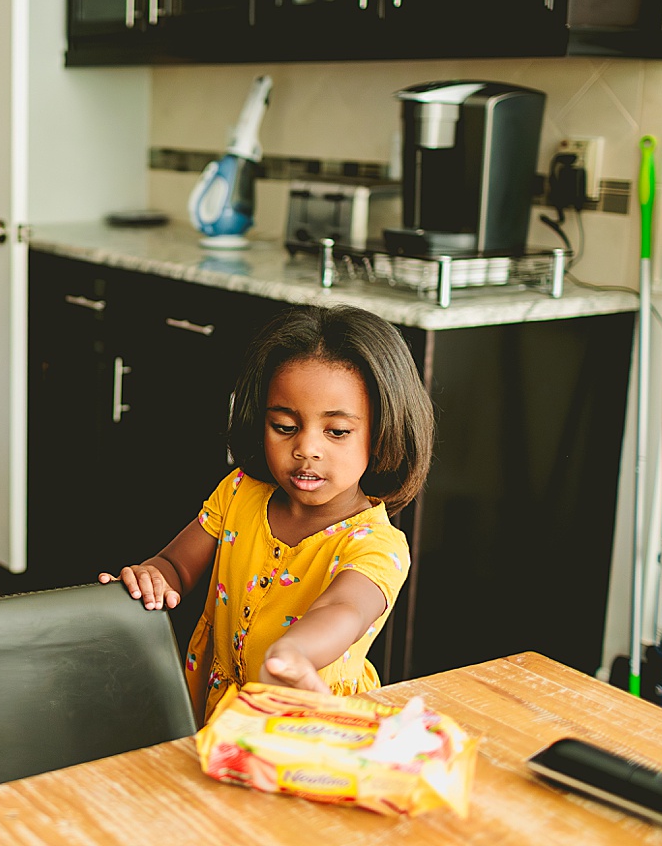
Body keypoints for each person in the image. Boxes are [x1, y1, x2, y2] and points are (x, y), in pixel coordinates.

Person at [100, 304, 434, 724]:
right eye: (284, 425)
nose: (307, 448)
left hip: (305, 721)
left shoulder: (377, 546)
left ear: (384, 431)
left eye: (337, 432)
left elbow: (343, 608)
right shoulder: (239, 492)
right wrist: (151, 577)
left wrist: (295, 653)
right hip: (215, 710)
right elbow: (175, 566)